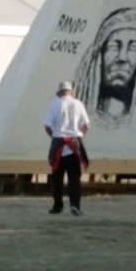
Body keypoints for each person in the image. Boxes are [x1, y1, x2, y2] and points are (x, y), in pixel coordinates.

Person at [43, 79, 90, 215]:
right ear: (71, 92)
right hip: (74, 145)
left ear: (60, 92)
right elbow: (86, 125)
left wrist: (54, 136)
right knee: (74, 178)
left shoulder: (54, 104)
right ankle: (75, 205)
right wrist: (79, 136)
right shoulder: (78, 104)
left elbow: (47, 125)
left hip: (59, 144)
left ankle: (58, 206)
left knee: (57, 178)